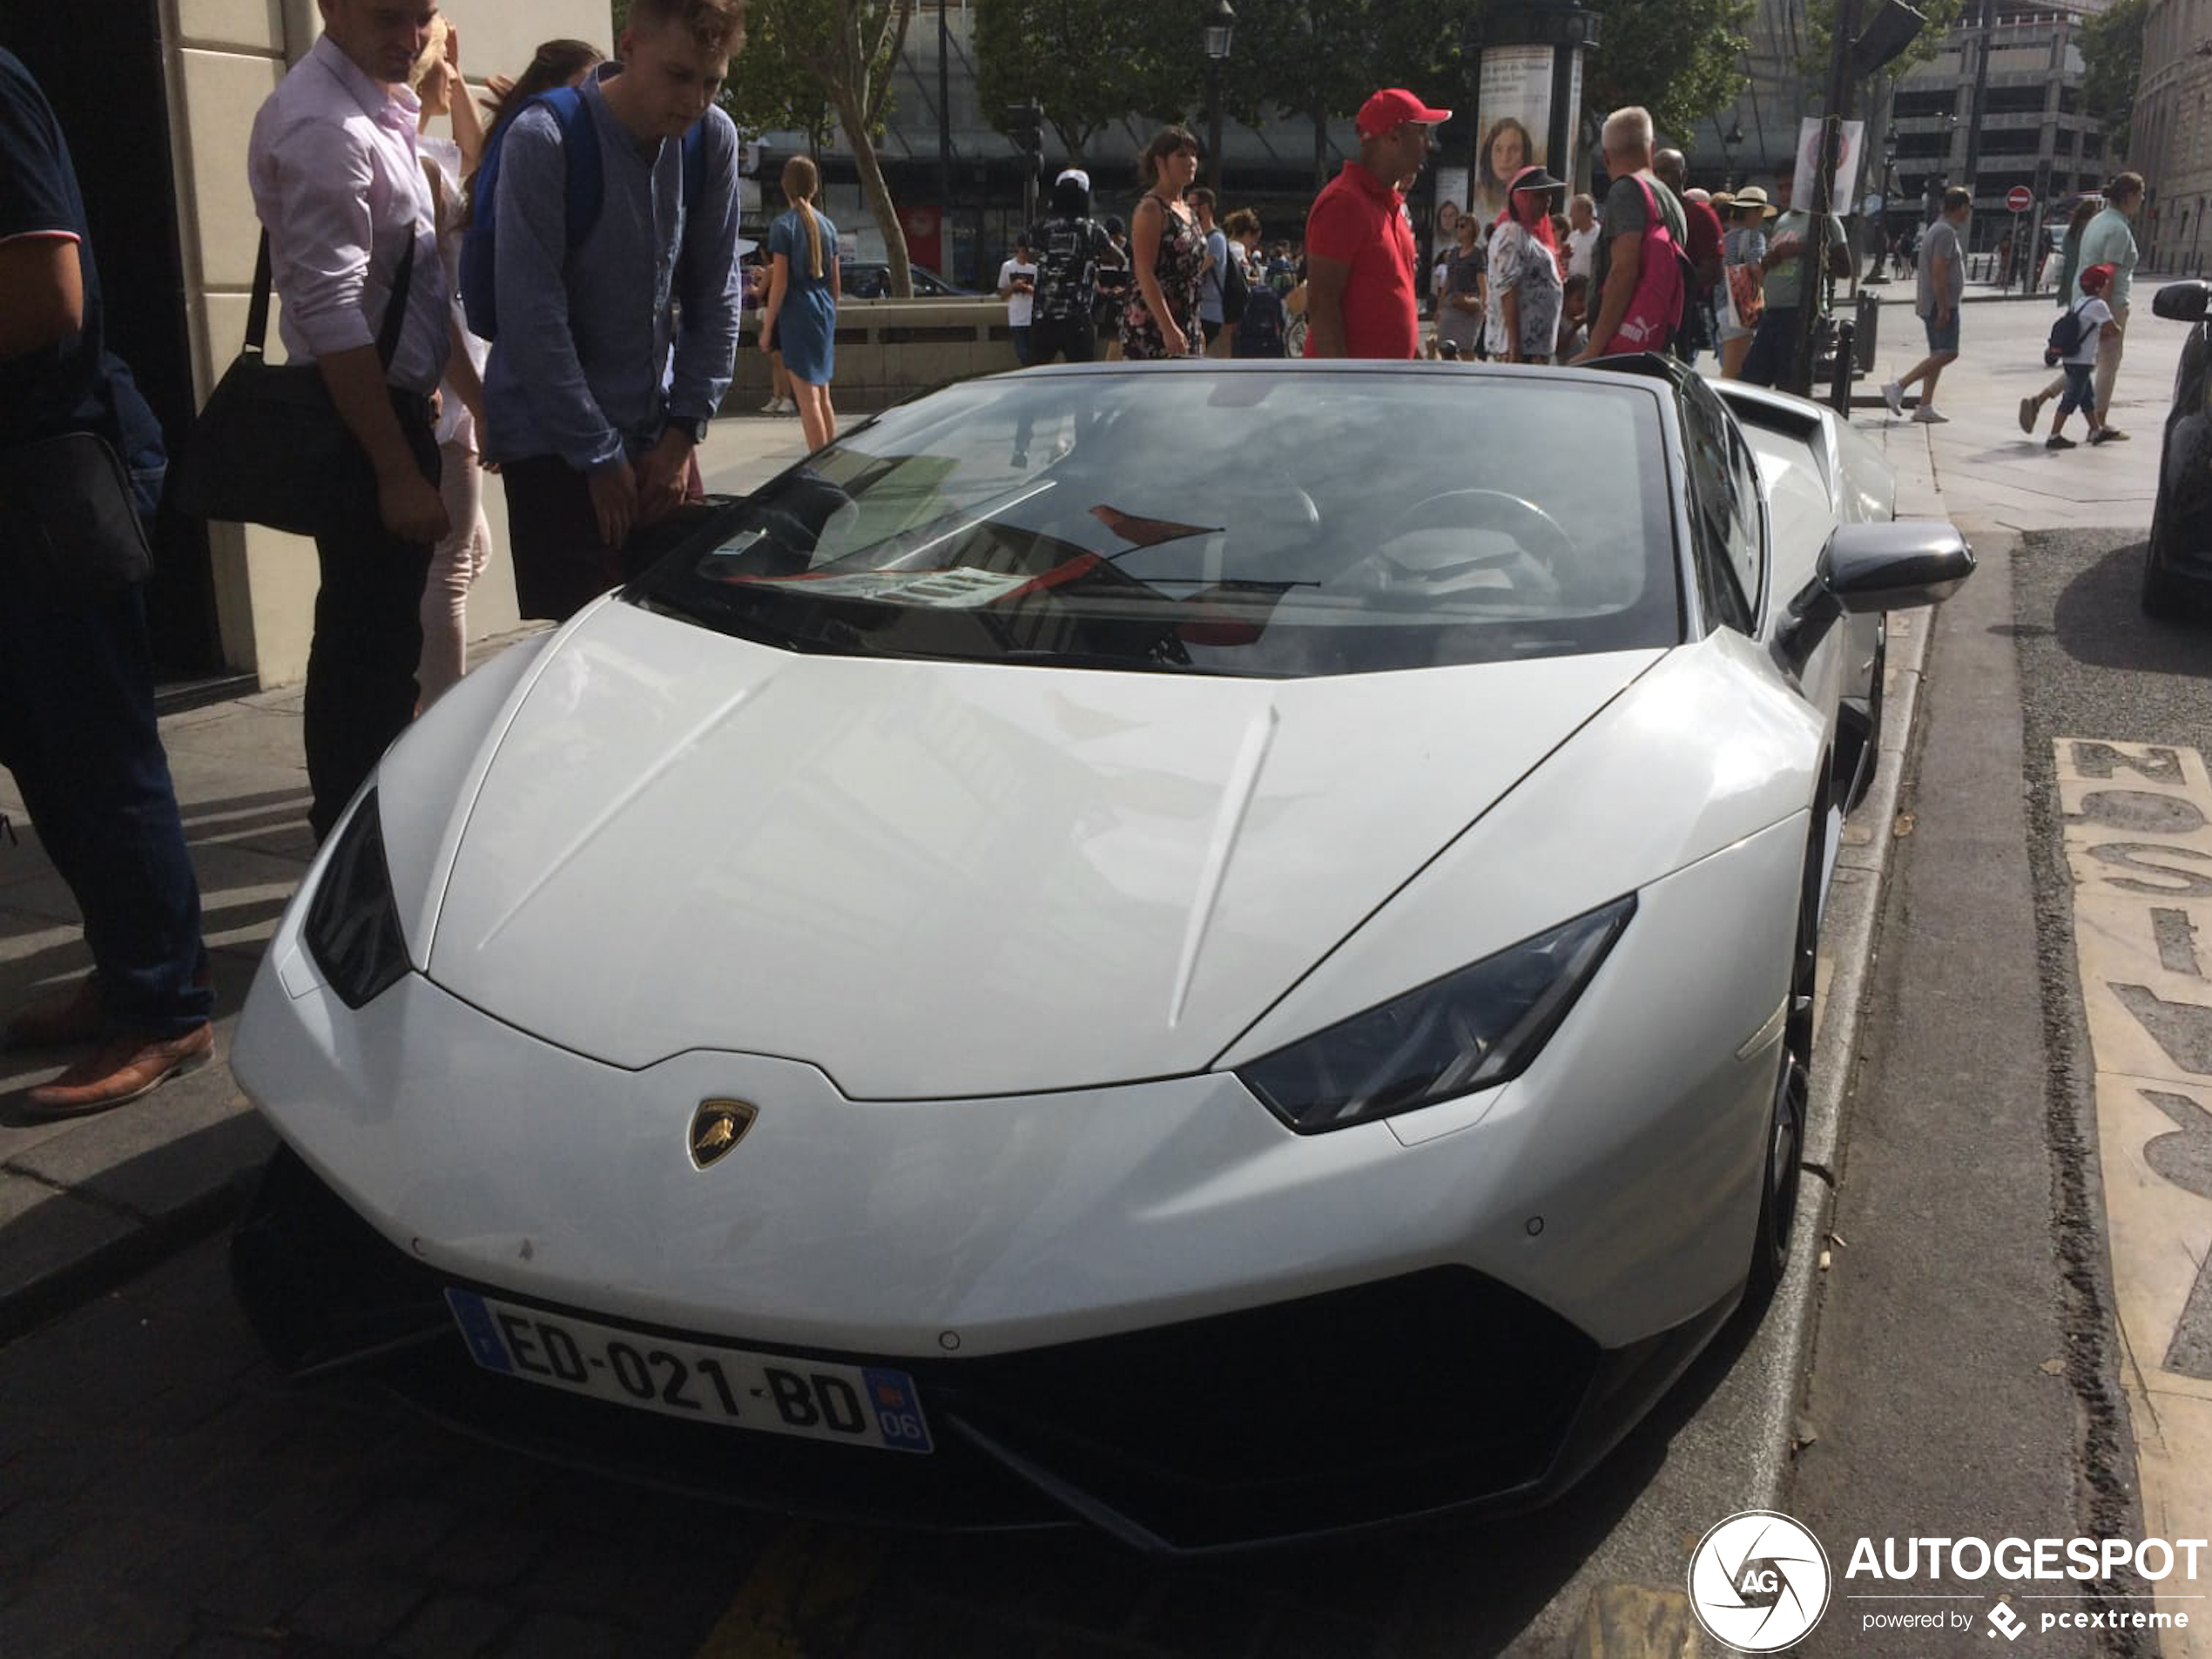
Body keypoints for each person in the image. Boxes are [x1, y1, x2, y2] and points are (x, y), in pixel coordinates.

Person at [0, 48, 215, 1113]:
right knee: (49, 753)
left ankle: (166, 1013)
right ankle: (130, 972)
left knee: (98, 749)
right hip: (25, 476)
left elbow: (50, 292)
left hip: (46, 477)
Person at [249, 0, 455, 842]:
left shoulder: (371, 106)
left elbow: (401, 277)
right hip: (367, 432)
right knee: (364, 658)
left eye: (424, 15)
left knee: (375, 645)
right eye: (392, 15)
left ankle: (360, 832)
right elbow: (331, 312)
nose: (412, 35)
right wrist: (395, 469)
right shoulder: (323, 122)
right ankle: (350, 843)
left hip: (393, 412)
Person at [480, 0, 743, 623]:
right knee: (581, 649)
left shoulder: (712, 140)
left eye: (712, 82)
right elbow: (533, 314)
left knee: (686, 637)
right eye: (679, 75)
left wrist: (681, 437)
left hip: (658, 436)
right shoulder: (545, 138)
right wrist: (597, 456)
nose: (697, 99)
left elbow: (716, 293)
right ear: (630, 46)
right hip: (553, 441)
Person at [408, 18, 492, 710]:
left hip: (456, 381)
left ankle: (419, 690)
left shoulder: (426, 153)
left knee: (468, 555)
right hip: (450, 389)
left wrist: (452, 68)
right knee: (453, 568)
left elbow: (477, 149)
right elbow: (430, 309)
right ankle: (436, 712)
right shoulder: (420, 167)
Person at [1303, 87, 1451, 360]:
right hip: (1355, 394)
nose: (1428, 143)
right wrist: (1341, 387)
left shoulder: (1390, 205)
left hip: (1382, 389)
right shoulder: (1344, 202)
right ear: (1393, 137)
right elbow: (1322, 306)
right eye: (1421, 132)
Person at [1577, 106, 1688, 361]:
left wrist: (1593, 350)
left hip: (1622, 349)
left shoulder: (1626, 191)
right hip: (1655, 339)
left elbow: (1623, 271)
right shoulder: (1668, 198)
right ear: (1652, 147)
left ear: (1606, 157)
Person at [1738, 159, 1850, 389]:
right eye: (1780, 188)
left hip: (1799, 314)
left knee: (1788, 383)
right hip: (1772, 312)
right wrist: (1768, 261)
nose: (1785, 193)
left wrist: (1802, 250)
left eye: (1790, 187)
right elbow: (1774, 259)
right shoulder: (1783, 220)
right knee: (1751, 379)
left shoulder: (1825, 219)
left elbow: (1845, 268)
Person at [763, 156, 839, 451]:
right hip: (823, 310)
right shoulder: (828, 226)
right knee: (823, 396)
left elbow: (779, 282)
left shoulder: (783, 226)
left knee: (807, 400)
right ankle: (833, 457)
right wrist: (830, 316)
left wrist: (768, 328)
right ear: (815, 187)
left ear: (785, 186)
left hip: (797, 312)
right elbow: (835, 283)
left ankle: (818, 463)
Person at [1881, 185, 1970, 425]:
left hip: (1934, 302)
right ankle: (1898, 387)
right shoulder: (1945, 233)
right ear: (1961, 207)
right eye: (1968, 208)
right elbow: (1938, 271)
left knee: (1937, 354)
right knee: (1949, 352)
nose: (1968, 213)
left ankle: (1925, 405)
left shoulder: (1938, 229)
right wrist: (1943, 306)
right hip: (1940, 304)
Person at [2020, 197, 2104, 433]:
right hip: (2090, 294)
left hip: (2075, 290)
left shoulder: (2070, 233)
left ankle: (2095, 428)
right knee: (2082, 368)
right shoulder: (2091, 233)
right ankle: (2048, 416)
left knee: (2081, 370)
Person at [1121, 126, 1205, 361]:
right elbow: (1144, 271)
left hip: (1188, 319)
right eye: (1181, 155)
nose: (1191, 162)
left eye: (1193, 155)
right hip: (1155, 324)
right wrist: (1167, 327)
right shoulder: (1151, 209)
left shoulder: (1188, 210)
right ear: (1160, 162)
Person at [2077, 173, 2143, 440]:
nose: (2142, 200)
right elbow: (2108, 273)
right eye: (2141, 194)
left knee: (2083, 360)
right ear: (2128, 195)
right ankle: (2099, 424)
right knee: (2108, 361)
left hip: (2084, 297)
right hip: (2108, 302)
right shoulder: (2118, 229)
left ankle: (2041, 398)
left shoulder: (2098, 221)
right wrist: (2104, 315)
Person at [1025, 169, 1115, 364]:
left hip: (1043, 314)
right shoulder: (1092, 229)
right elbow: (1119, 259)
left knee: (1035, 376)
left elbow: (1029, 255)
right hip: (1078, 314)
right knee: (1082, 379)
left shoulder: (1040, 227)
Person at [1486, 165, 1566, 366]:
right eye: (1539, 196)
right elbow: (1507, 289)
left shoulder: (1528, 235)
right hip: (1518, 353)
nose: (1547, 201)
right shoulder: (1511, 234)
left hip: (1534, 351)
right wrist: (1515, 347)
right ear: (1522, 199)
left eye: (1548, 195)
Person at [1656, 148, 1723, 364]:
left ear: (1683, 175)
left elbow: (1714, 270)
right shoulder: (1648, 211)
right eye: (1654, 172)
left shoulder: (1700, 215)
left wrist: (1676, 280)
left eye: (1665, 172)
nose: (1658, 178)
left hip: (1684, 313)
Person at [2042, 262, 2119, 451]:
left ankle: (2096, 430)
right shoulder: (2099, 305)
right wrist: (2116, 328)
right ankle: (2054, 436)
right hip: (2083, 360)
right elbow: (2113, 329)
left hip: (2070, 358)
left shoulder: (2080, 302)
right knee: (2071, 399)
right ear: (2100, 287)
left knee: (2087, 397)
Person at [1717, 186, 1776, 380]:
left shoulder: (1725, 237)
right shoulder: (1754, 236)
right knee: (1733, 374)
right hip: (1742, 308)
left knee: (1728, 365)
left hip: (1722, 306)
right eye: (1760, 212)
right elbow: (1755, 267)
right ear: (1754, 211)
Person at [1434, 209, 1487, 360]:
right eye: (1457, 226)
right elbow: (1447, 282)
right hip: (1452, 303)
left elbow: (1482, 280)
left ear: (1473, 229)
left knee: (1465, 349)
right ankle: (1449, 378)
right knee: (1444, 348)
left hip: (1469, 305)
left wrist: (1485, 305)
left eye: (1463, 226)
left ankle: (1468, 380)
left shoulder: (1477, 254)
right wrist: (1439, 307)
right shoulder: (1454, 253)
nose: (1458, 229)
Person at [1190, 187, 1231, 355]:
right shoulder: (1198, 236)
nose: (1189, 211)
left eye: (1191, 206)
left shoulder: (1216, 239)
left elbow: (1196, 270)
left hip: (1209, 312)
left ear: (1205, 207)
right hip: (1199, 310)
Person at [1478, 115, 1533, 219]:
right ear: (1489, 153)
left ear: (1524, 155)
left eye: (1514, 149)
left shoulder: (1531, 199)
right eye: (1498, 150)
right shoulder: (1480, 197)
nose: (1505, 158)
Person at [996, 234, 1038, 365]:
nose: (1025, 254)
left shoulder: (1034, 269)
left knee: (1034, 353)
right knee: (1022, 353)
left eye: (1027, 251)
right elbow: (1002, 294)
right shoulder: (1008, 267)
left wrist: (1028, 288)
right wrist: (1014, 286)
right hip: (1016, 317)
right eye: (1023, 251)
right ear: (1018, 249)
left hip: (1031, 316)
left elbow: (1039, 293)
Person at [1565, 192, 1600, 283]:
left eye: (1573, 211)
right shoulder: (1572, 236)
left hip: (1591, 289)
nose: (1570, 215)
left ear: (1584, 211)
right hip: (1573, 289)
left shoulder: (1600, 236)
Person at [1556, 273, 1590, 360]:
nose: (1583, 304)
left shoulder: (1585, 323)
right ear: (1566, 299)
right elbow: (1559, 349)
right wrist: (1574, 329)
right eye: (1579, 299)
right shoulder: (1560, 322)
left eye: (1586, 300)